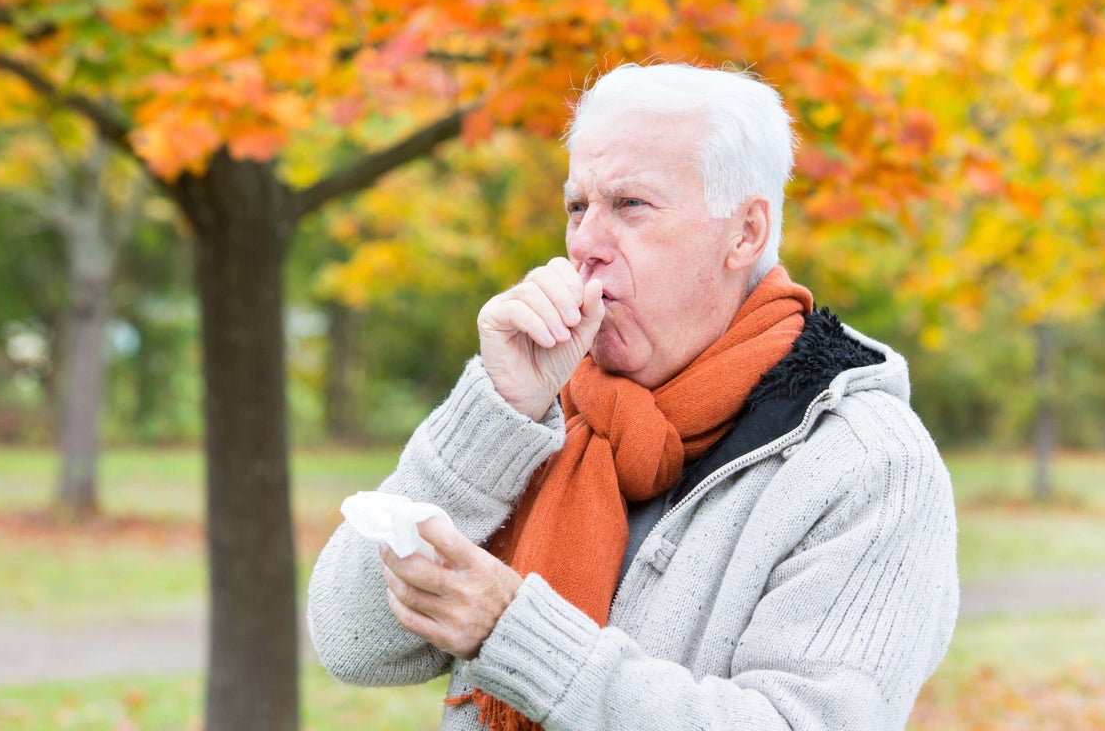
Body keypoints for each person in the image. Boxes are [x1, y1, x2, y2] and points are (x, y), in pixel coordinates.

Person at [307, 62, 959, 731]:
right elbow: (353, 639)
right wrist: (497, 410)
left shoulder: (867, 462)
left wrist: (517, 634)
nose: (584, 243)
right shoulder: (547, 406)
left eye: (630, 206)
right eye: (577, 207)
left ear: (746, 234)